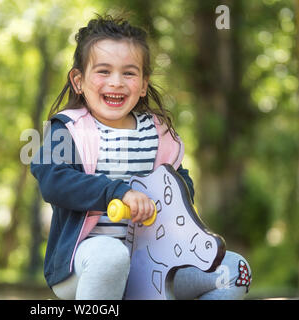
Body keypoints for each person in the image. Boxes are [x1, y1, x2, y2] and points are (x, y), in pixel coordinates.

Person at [30, 14, 251, 300]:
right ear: (78, 80)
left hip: (150, 263)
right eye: (104, 71)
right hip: (85, 264)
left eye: (129, 73)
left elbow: (179, 187)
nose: (117, 82)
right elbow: (53, 181)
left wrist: (162, 201)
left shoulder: (157, 133)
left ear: (144, 84)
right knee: (111, 255)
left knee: (234, 269)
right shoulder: (69, 129)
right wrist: (119, 193)